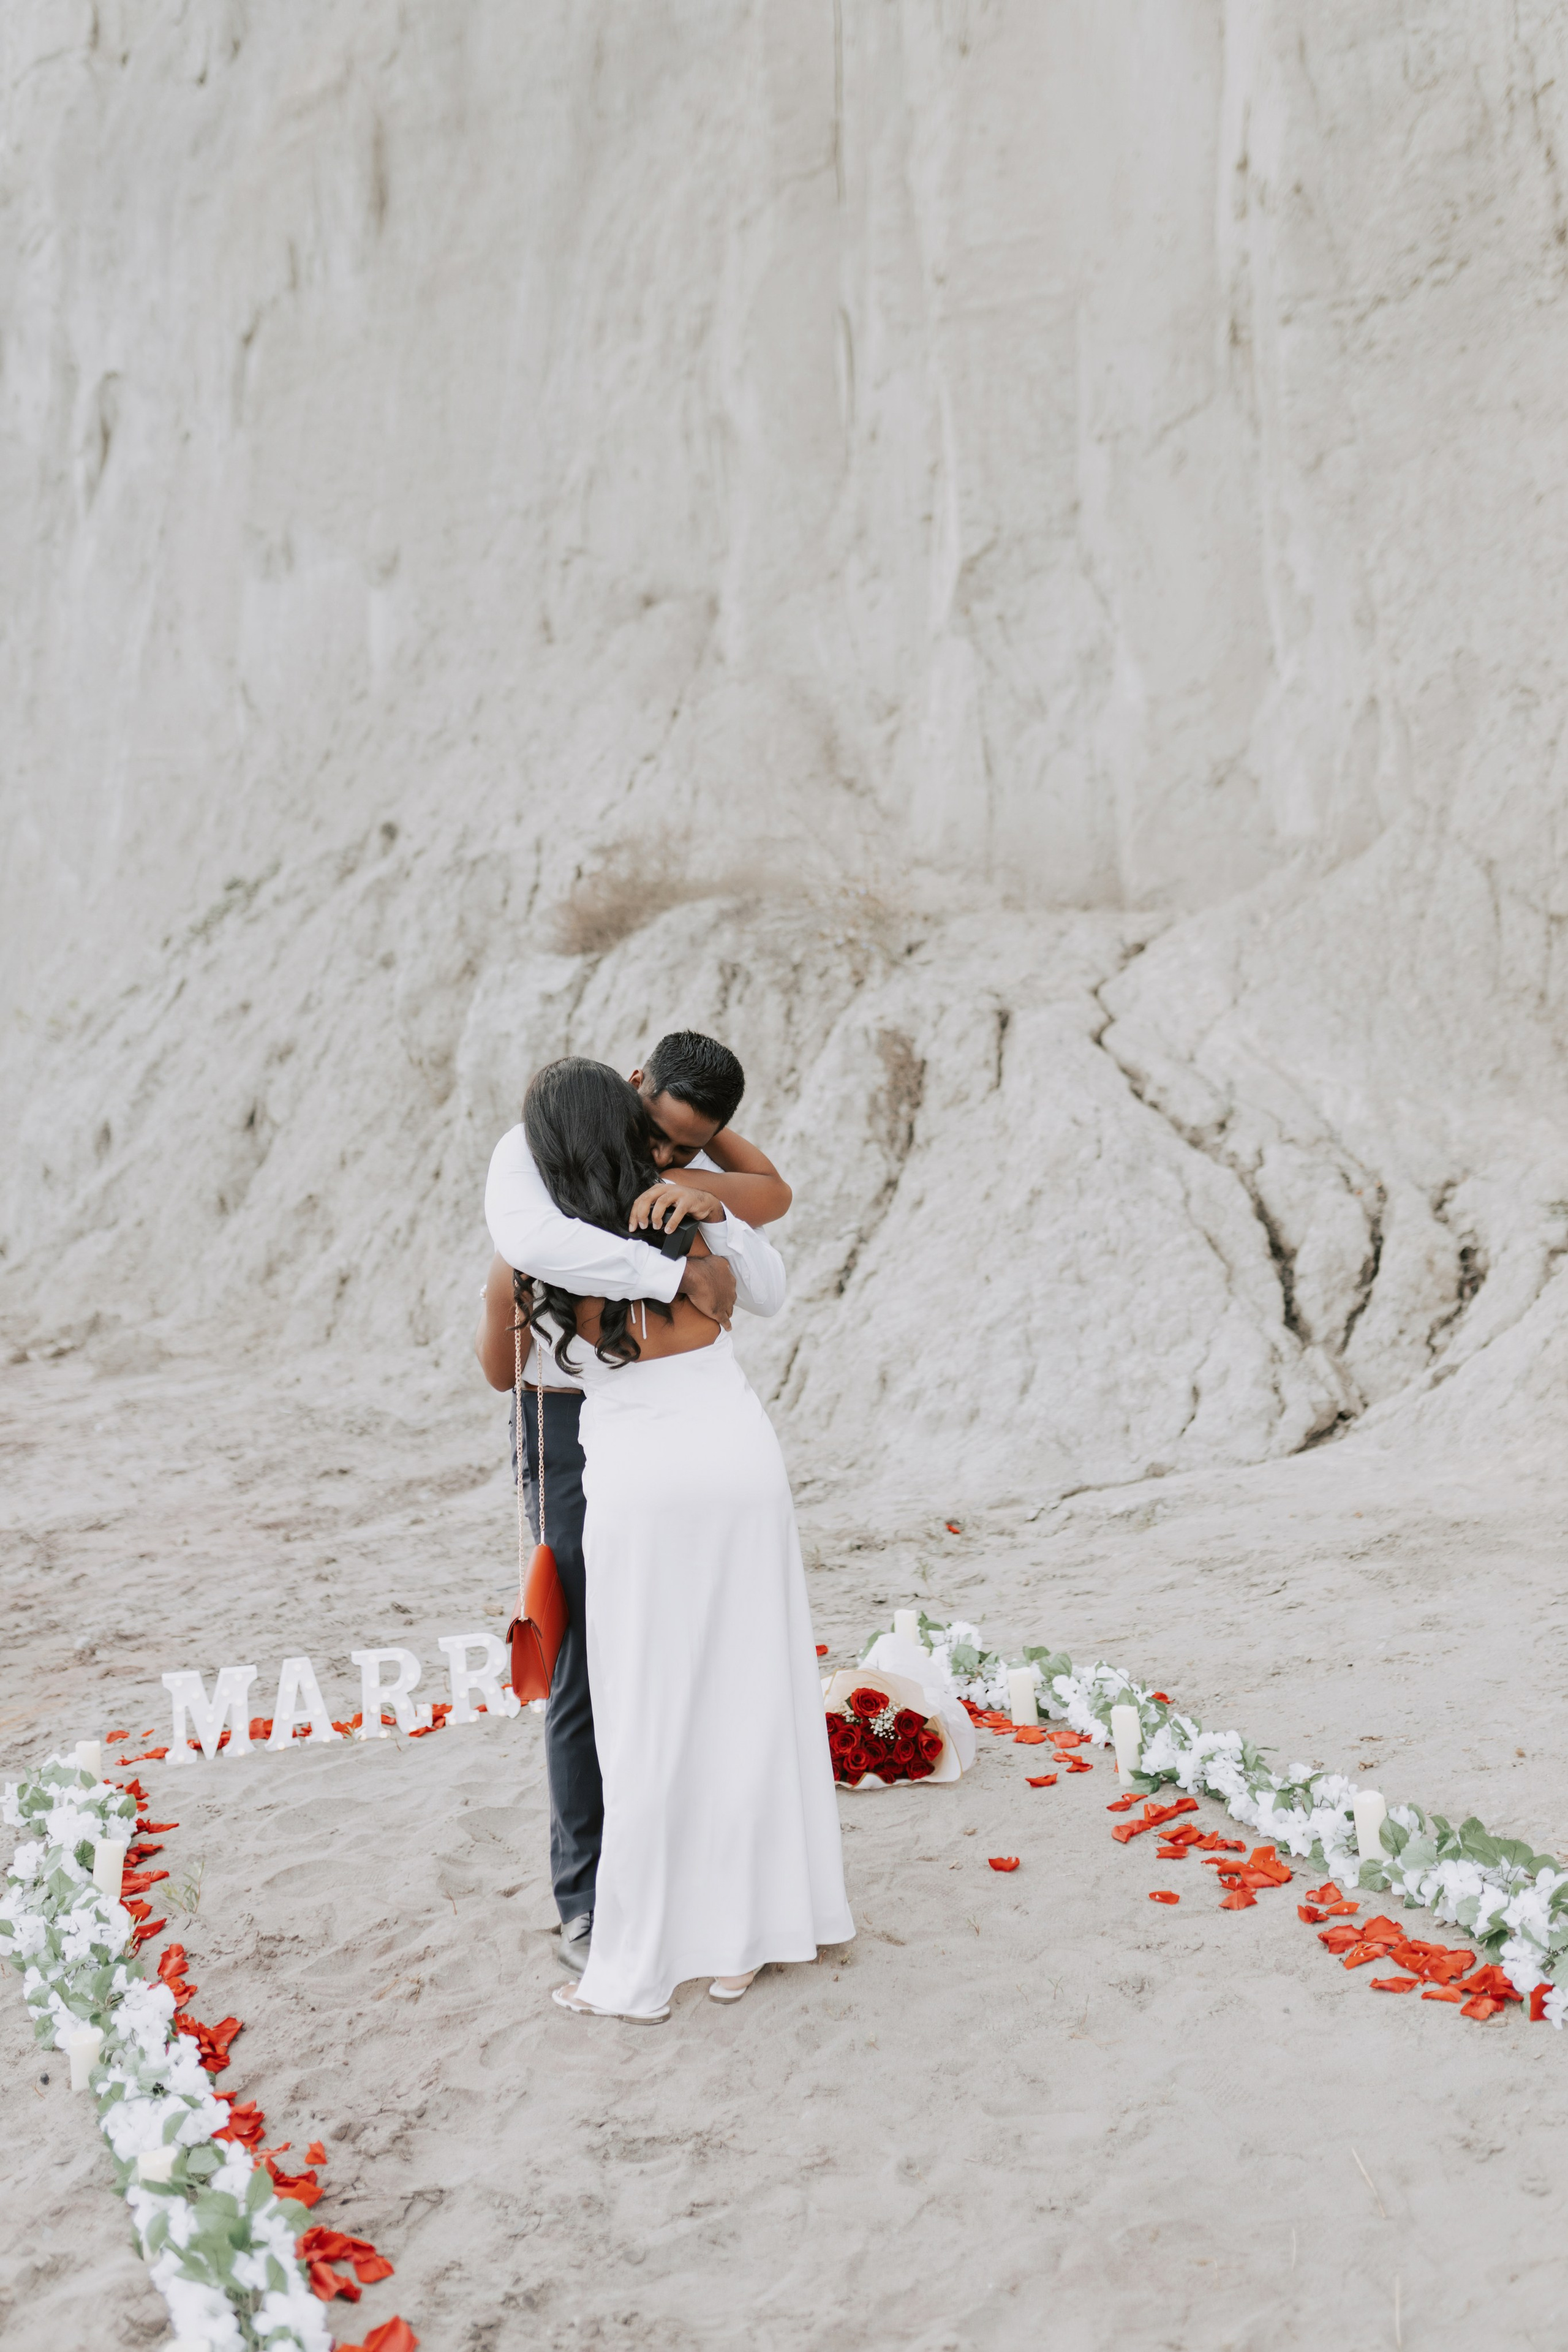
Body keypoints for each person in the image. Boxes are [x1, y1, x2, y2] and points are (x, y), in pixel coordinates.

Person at [477, 1056, 851, 2019]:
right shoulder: (688, 1228)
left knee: (640, 1710)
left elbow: (510, 1371)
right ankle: (752, 1932)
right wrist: (696, 1231)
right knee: (749, 1688)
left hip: (640, 1489)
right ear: (634, 1113)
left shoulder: (545, 1263)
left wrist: (501, 1299)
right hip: (741, 1464)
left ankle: (629, 1928)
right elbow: (749, 1275)